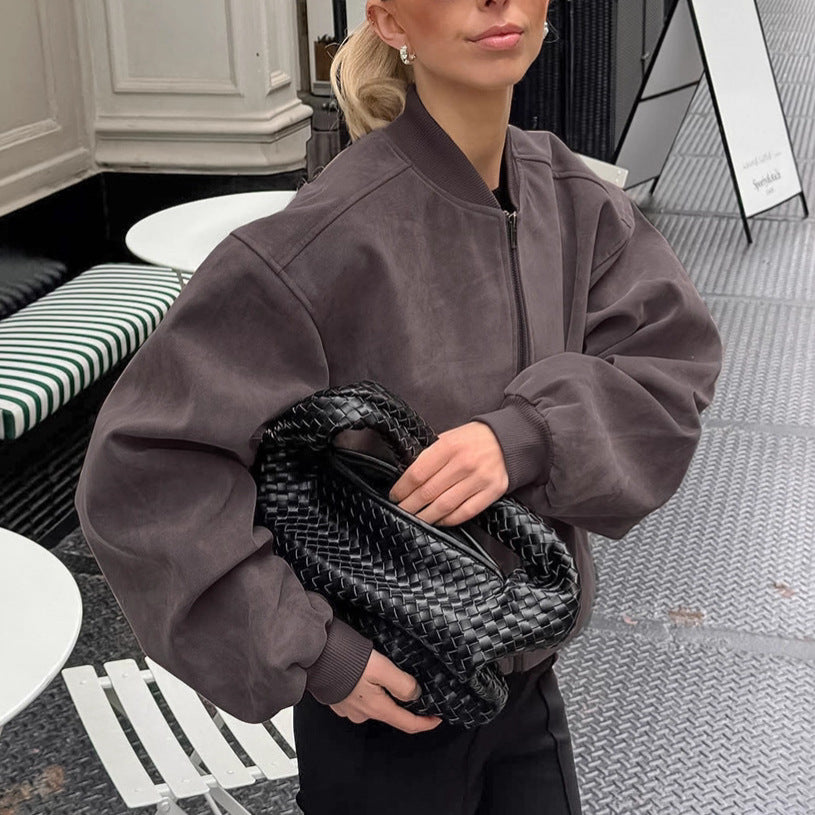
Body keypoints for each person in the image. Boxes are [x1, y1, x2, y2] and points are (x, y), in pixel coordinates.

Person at [75, 0, 723, 813]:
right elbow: (146, 469)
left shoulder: (572, 200)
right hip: (388, 710)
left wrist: (528, 433)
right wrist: (313, 651)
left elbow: (666, 364)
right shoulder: (321, 240)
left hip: (527, 677)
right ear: (389, 22)